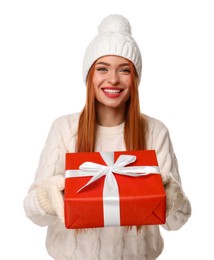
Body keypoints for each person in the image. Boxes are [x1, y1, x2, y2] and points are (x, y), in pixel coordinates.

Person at [24, 14, 191, 260]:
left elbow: (176, 223)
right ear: (90, 75)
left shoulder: (155, 131)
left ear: (135, 79)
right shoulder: (64, 129)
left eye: (124, 70)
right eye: (102, 68)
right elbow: (33, 214)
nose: (113, 79)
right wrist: (47, 196)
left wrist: (173, 196)